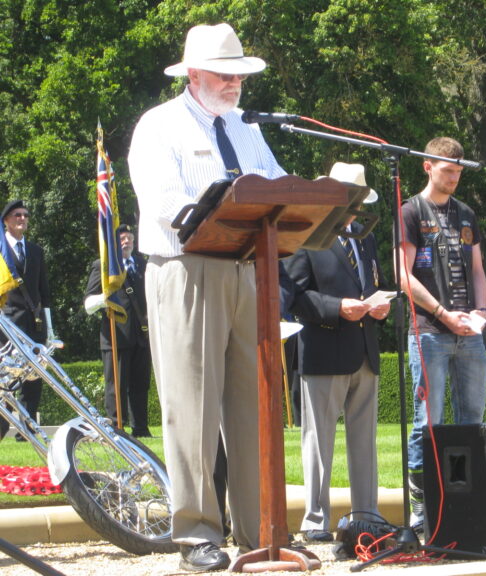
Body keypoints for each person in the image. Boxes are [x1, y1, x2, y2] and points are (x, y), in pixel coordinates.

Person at [127, 23, 286, 572]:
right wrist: (227, 211)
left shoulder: (245, 126)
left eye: (240, 73)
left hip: (248, 271)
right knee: (191, 408)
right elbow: (164, 200)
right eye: (224, 73)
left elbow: (277, 182)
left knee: (257, 405)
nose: (235, 82)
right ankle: (196, 534)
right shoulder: (158, 126)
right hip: (186, 270)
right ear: (193, 74)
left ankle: (260, 530)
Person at [283, 162, 389, 542]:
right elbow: (293, 295)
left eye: (358, 200)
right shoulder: (306, 234)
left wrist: (380, 306)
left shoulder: (365, 236)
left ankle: (368, 515)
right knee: (318, 442)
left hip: (364, 349)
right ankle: (315, 521)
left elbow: (374, 282)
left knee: (366, 442)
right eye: (349, 198)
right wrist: (336, 307)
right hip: (324, 349)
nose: (354, 207)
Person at [397, 137, 486, 531]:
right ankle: (423, 508)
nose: (454, 177)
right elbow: (404, 276)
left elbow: (480, 270)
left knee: (473, 420)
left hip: (469, 332)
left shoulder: (466, 213)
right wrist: (441, 312)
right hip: (430, 331)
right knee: (427, 423)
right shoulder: (409, 211)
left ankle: (467, 502)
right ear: (427, 167)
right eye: (447, 169)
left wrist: (481, 313)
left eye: (458, 171)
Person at [83, 224, 152, 438]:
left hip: (142, 334)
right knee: (116, 386)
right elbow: (88, 302)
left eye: (130, 238)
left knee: (140, 385)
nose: (127, 241)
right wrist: (104, 299)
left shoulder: (142, 263)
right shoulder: (102, 266)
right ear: (113, 243)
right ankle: (116, 428)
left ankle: (141, 429)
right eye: (122, 238)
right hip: (116, 335)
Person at [0, 199, 54, 442]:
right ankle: (3, 425)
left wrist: (50, 327)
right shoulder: (1, 250)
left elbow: (44, 292)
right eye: (17, 215)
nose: (22, 219)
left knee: (33, 378)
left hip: (34, 323)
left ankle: (27, 427)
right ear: (6, 221)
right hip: (7, 325)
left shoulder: (36, 251)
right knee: (7, 378)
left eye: (25, 215)